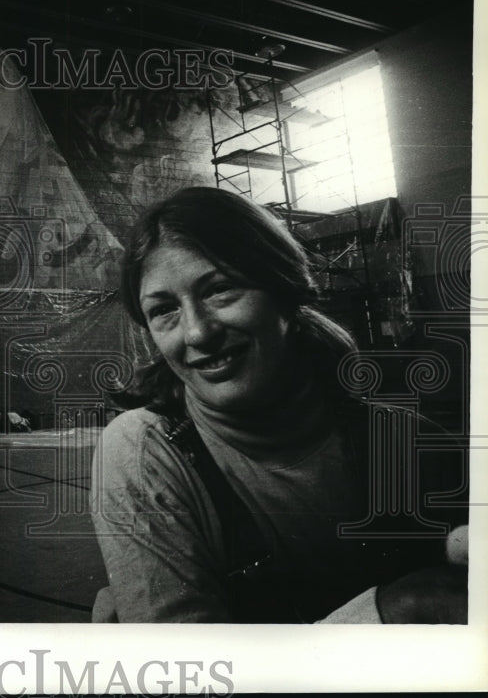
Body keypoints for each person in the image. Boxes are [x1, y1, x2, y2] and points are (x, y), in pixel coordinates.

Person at [91, 187, 468, 623]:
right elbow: (185, 673)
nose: (196, 333)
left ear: (285, 291)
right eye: (164, 310)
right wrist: (393, 612)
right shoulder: (144, 451)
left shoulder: (411, 441)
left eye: (219, 289)